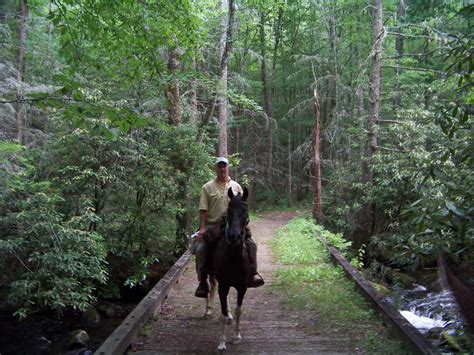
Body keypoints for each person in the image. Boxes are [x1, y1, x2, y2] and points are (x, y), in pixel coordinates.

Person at [194, 157, 265, 298]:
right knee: (201, 249)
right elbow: (203, 209)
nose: (222, 169)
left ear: (228, 168)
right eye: (219, 166)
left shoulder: (236, 187)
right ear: (216, 168)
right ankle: (202, 281)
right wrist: (202, 228)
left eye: (224, 166)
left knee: (252, 245)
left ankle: (252, 274)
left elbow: (242, 208)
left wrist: (244, 224)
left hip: (233, 225)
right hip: (213, 225)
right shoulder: (207, 187)